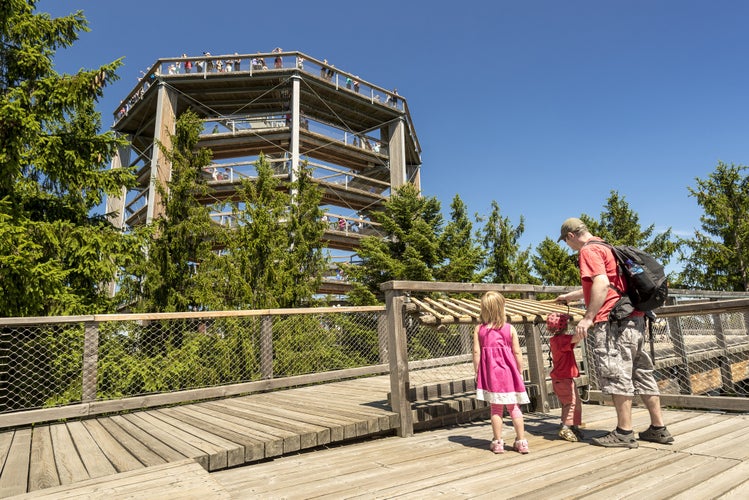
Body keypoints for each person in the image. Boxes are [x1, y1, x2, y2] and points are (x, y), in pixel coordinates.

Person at [555, 217, 674, 448]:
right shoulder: (607, 247)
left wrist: (588, 318)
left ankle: (624, 432)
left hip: (613, 323)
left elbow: (600, 284)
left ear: (570, 236)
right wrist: (569, 297)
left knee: (617, 374)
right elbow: (608, 284)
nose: (568, 246)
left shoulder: (587, 252)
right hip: (634, 319)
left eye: (566, 242)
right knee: (642, 372)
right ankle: (658, 429)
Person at [473, 291, 531, 455]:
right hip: (510, 374)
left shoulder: (479, 329)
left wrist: (478, 373)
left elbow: (476, 353)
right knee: (514, 408)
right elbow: (518, 353)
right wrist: (519, 372)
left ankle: (498, 442)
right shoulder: (510, 328)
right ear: (502, 308)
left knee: (496, 409)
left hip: (491, 376)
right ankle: (521, 442)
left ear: (483, 309)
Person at [547, 312, 584, 442]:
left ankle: (572, 425)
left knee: (571, 402)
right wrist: (584, 325)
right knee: (571, 403)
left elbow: (573, 341)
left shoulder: (556, 340)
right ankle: (566, 427)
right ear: (564, 326)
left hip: (562, 378)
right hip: (563, 378)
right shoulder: (562, 340)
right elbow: (578, 337)